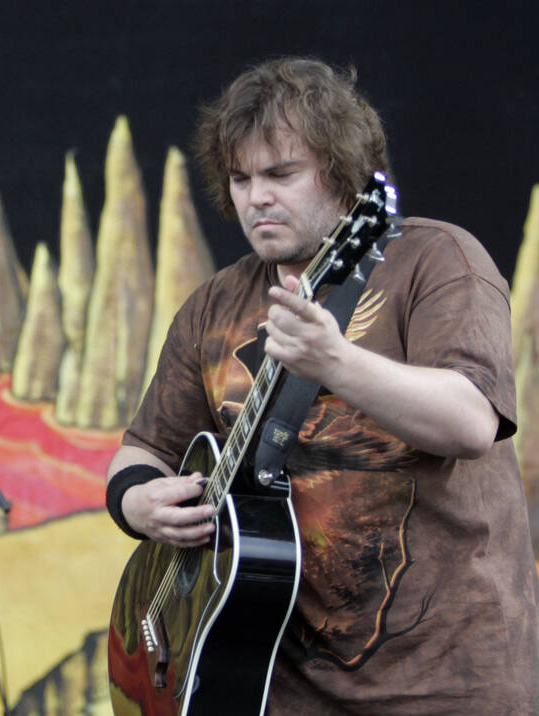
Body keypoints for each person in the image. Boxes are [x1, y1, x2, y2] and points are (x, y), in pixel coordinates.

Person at [106, 57, 539, 713]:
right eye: (241, 178)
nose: (258, 197)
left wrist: (336, 362)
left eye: (282, 173)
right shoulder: (213, 305)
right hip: (272, 687)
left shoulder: (435, 259)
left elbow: (471, 422)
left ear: (342, 173)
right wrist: (136, 504)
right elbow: (142, 450)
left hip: (444, 683)